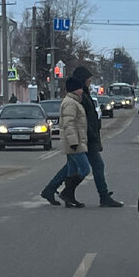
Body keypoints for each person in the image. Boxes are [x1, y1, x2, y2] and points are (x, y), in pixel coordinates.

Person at [38, 65, 123, 208]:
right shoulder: (78, 97)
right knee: (93, 166)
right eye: (89, 79)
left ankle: (52, 190)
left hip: (86, 137)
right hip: (84, 138)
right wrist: (80, 138)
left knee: (71, 168)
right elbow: (74, 121)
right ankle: (101, 196)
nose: (90, 81)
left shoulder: (84, 94)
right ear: (82, 80)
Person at [55, 76, 92, 208]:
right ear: (74, 89)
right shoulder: (71, 103)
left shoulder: (74, 101)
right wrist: (74, 142)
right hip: (74, 143)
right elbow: (69, 124)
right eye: (80, 88)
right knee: (85, 168)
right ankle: (67, 193)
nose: (82, 90)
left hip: (73, 142)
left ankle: (69, 199)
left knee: (72, 170)